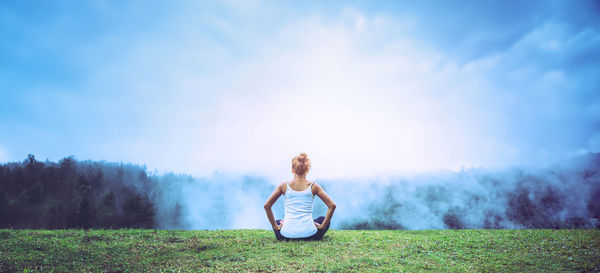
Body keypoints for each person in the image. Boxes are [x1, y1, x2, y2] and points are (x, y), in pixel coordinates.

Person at [264, 153, 336, 241]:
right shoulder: (314, 186)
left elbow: (267, 206)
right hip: (311, 235)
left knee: (278, 221)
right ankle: (310, 224)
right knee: (322, 219)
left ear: (292, 170)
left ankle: (287, 225)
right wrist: (321, 226)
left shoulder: (283, 185)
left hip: (285, 236)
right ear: (307, 170)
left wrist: (276, 226)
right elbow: (332, 205)